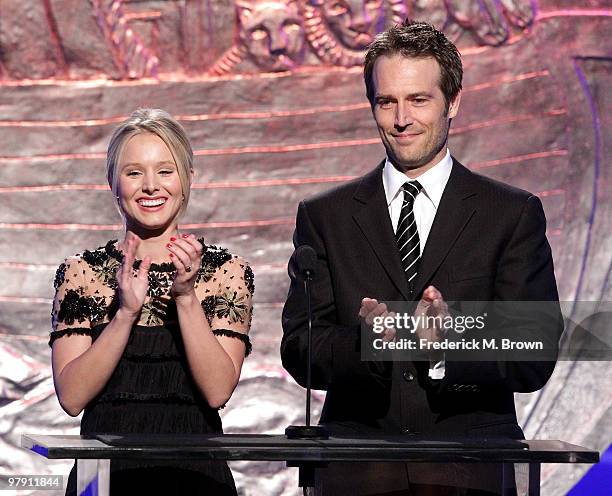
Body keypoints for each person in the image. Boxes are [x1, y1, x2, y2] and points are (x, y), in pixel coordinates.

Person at [281, 20, 562, 495]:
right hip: (358, 470)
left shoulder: (511, 214)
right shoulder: (324, 216)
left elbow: (534, 348)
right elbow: (300, 347)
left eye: (418, 100)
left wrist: (447, 343)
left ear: (452, 101)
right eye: (386, 101)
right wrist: (368, 344)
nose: (400, 118)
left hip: (469, 469)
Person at [50, 108, 254, 495]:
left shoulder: (226, 271)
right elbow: (73, 397)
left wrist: (186, 296)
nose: (150, 186)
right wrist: (124, 314)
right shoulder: (82, 273)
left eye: (165, 171)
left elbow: (217, 391)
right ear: (113, 183)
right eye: (133, 173)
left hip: (195, 476)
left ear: (187, 180)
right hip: (101, 479)